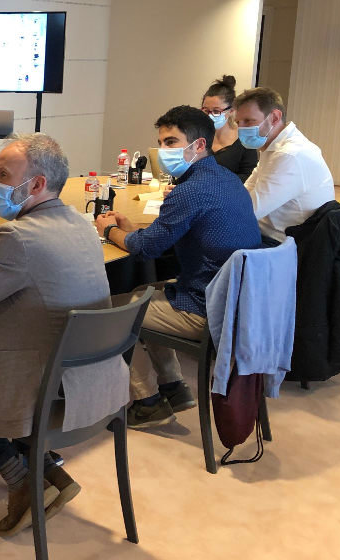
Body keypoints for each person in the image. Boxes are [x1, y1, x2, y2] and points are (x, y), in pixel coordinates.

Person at [0, 134, 128, 536]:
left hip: (41, 384)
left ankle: (21, 479)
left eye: (2, 174)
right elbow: (32, 280)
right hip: (91, 380)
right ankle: (48, 472)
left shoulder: (15, 237)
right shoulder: (82, 226)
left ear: (35, 184)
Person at [95, 106, 261, 428]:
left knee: (112, 315)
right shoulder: (227, 180)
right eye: (161, 142)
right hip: (238, 304)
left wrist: (109, 230)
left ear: (198, 146)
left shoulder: (189, 190)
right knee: (144, 294)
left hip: (208, 310)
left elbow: (146, 249)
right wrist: (130, 231)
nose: (163, 151)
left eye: (171, 142)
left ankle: (148, 402)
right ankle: (173, 386)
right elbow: (166, 236)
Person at [234, 87, 335, 246]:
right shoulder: (273, 147)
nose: (241, 129)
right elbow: (245, 192)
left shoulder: (289, 155)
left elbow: (249, 211)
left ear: (274, 117)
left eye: (248, 121)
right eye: (238, 122)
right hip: (272, 235)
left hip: (284, 245)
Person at [201, 75, 258, 182]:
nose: (209, 115)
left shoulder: (244, 139)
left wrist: (217, 181)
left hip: (231, 196)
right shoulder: (198, 136)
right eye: (205, 110)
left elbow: (249, 177)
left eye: (216, 111)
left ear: (231, 110)